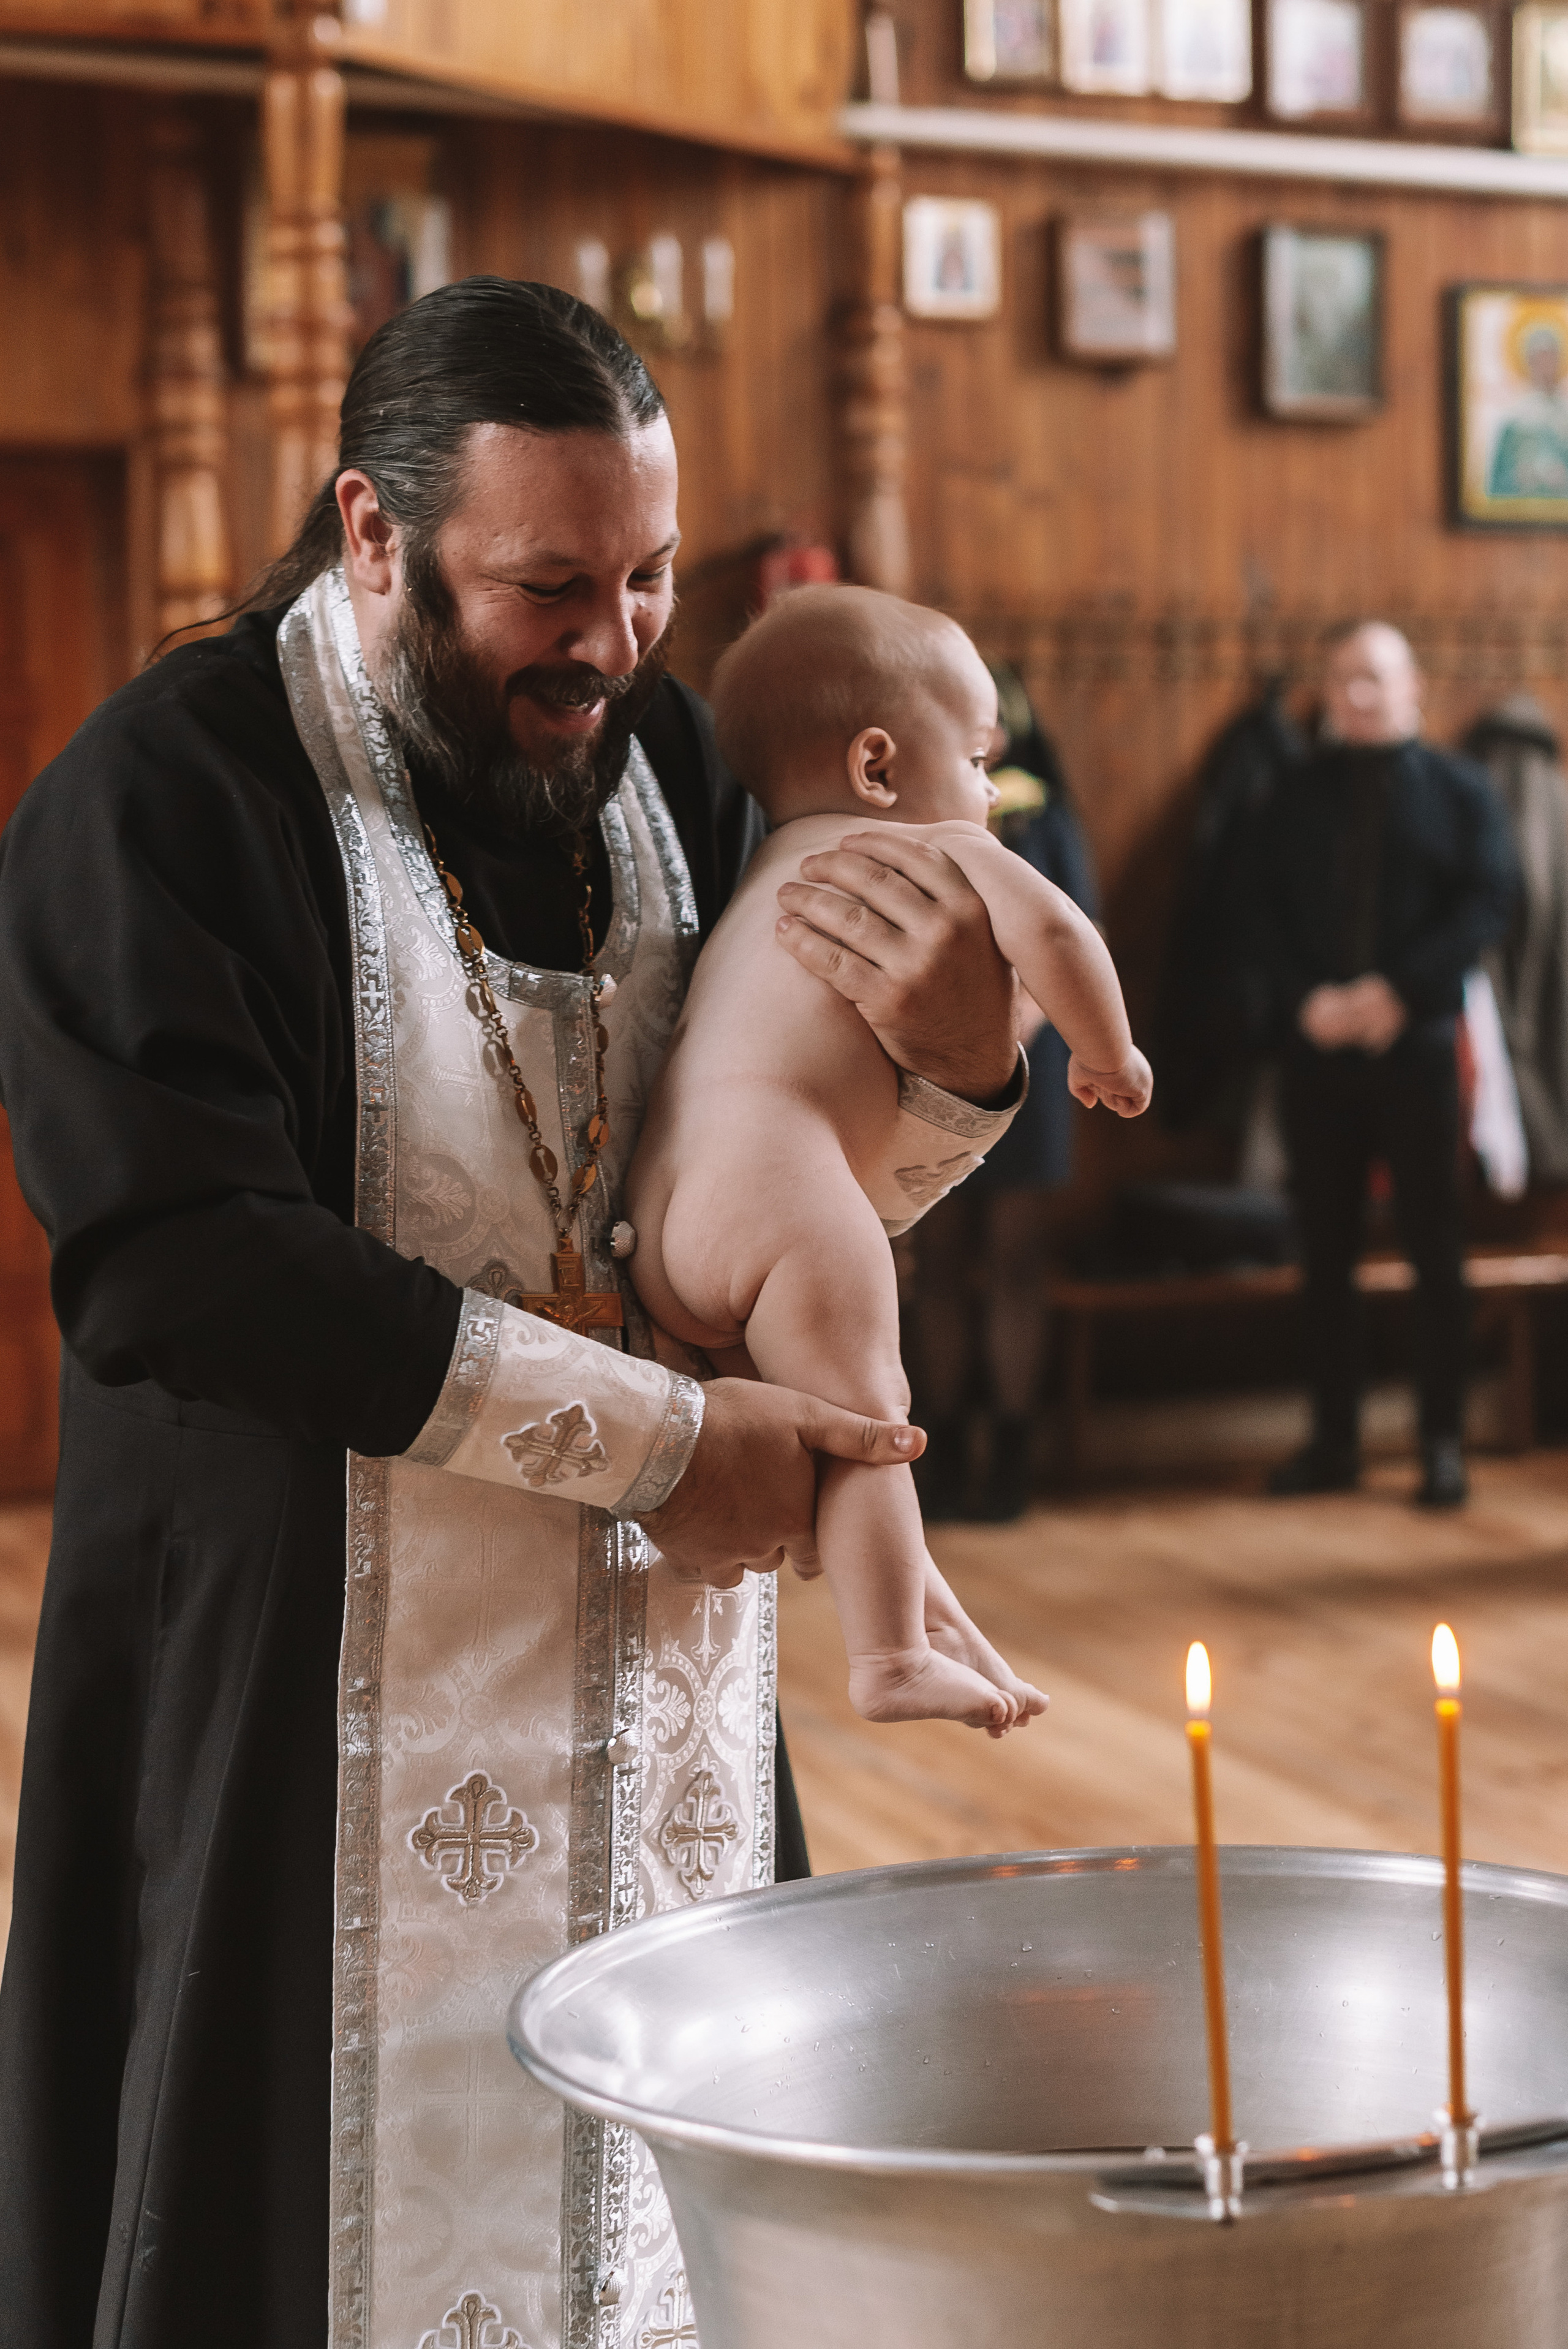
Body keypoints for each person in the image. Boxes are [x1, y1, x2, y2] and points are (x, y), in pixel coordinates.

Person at [0, 282, 1032, 2349]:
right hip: (306, 1682)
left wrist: (948, 1076)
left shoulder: (669, 763)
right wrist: (661, 1441)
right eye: (551, 584)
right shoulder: (170, 794)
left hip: (661, 1692)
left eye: (651, 575)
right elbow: (180, 1258)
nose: (618, 640)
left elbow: (781, 1172)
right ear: (375, 533)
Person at [626, 589, 1148, 1730]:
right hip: (780, 1182)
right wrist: (1110, 1053)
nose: (988, 794)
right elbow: (1062, 935)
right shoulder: (933, 846)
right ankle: (889, 1656)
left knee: (845, 1441)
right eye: (975, 758)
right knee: (870, 1421)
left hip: (663, 1200)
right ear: (878, 762)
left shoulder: (763, 870)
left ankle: (932, 1622)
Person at [1252, 621, 1520, 1508]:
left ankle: (1442, 1443)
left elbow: (1489, 902)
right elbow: (1257, 911)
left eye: (1373, 679)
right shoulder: (1291, 790)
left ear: (1413, 689)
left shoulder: (1459, 787)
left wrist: (1400, 993)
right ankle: (1335, 1441)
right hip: (1318, 1048)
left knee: (1433, 1247)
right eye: (1342, 680)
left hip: (1420, 1047)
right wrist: (1306, 1001)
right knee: (1323, 1250)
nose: (1357, 695)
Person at [908, 663, 1104, 1521]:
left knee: (1018, 1261)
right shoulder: (916, 816)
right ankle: (944, 1449)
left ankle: (1013, 1452)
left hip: (1027, 1067)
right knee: (938, 1262)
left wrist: (1007, 1036)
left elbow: (1073, 934)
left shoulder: (1042, 817)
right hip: (929, 1067)